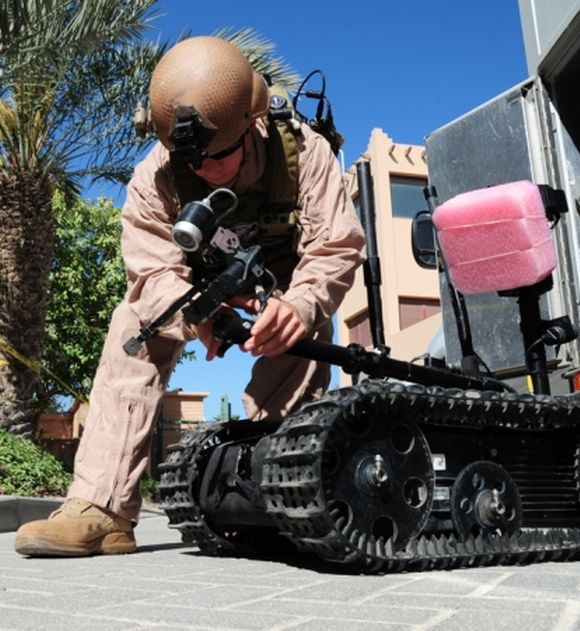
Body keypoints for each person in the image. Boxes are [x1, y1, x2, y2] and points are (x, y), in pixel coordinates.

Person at [15, 36, 365, 557]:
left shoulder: (303, 154)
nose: (203, 168)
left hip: (284, 289)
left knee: (308, 334)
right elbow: (150, 267)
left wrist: (300, 305)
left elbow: (335, 244)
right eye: (191, 159)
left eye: (217, 156)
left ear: (250, 122)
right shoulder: (155, 174)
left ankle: (272, 489)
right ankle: (102, 508)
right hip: (197, 289)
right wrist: (195, 313)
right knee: (134, 323)